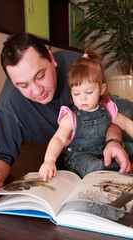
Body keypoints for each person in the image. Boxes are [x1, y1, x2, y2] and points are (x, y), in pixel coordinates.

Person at [0, 33, 132, 214]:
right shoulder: (9, 106)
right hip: (78, 157)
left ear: (51, 58)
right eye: (23, 85)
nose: (37, 90)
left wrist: (114, 141)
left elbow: (110, 113)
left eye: (40, 76)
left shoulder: (77, 68)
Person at [39, 49, 133, 181]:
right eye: (76, 93)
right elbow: (58, 139)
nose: (82, 99)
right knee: (96, 168)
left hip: (104, 148)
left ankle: (118, 166)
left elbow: (127, 124)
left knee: (129, 148)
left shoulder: (106, 108)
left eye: (89, 92)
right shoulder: (70, 116)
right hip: (80, 157)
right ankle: (115, 170)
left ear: (102, 89)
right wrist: (49, 160)